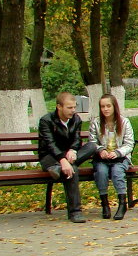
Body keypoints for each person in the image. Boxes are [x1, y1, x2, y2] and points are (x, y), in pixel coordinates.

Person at [38, 92, 98, 223]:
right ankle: (75, 212)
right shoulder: (46, 120)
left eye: (74, 107)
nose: (73, 111)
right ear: (59, 107)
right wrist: (62, 160)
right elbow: (50, 144)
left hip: (68, 157)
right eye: (69, 108)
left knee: (92, 147)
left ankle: (58, 169)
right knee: (73, 169)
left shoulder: (76, 119)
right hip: (49, 156)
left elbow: (77, 139)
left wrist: (73, 150)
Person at [89, 94, 135, 220]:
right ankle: (105, 204)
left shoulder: (124, 122)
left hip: (120, 158)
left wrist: (118, 152)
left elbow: (129, 143)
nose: (105, 109)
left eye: (108, 106)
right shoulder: (96, 122)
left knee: (117, 172)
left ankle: (122, 204)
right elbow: (92, 142)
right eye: (102, 106)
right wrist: (101, 150)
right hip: (102, 158)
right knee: (101, 172)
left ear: (114, 106)